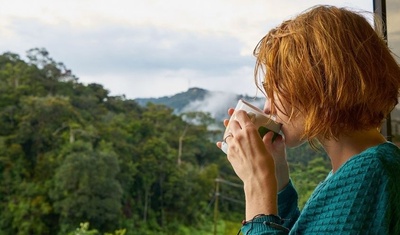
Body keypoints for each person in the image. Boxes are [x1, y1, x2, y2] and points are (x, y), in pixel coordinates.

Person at [216, 5, 400, 235]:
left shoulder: (369, 173)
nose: (268, 106)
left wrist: (256, 185)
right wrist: (277, 177)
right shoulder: (361, 168)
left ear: (318, 85)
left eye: (275, 90)